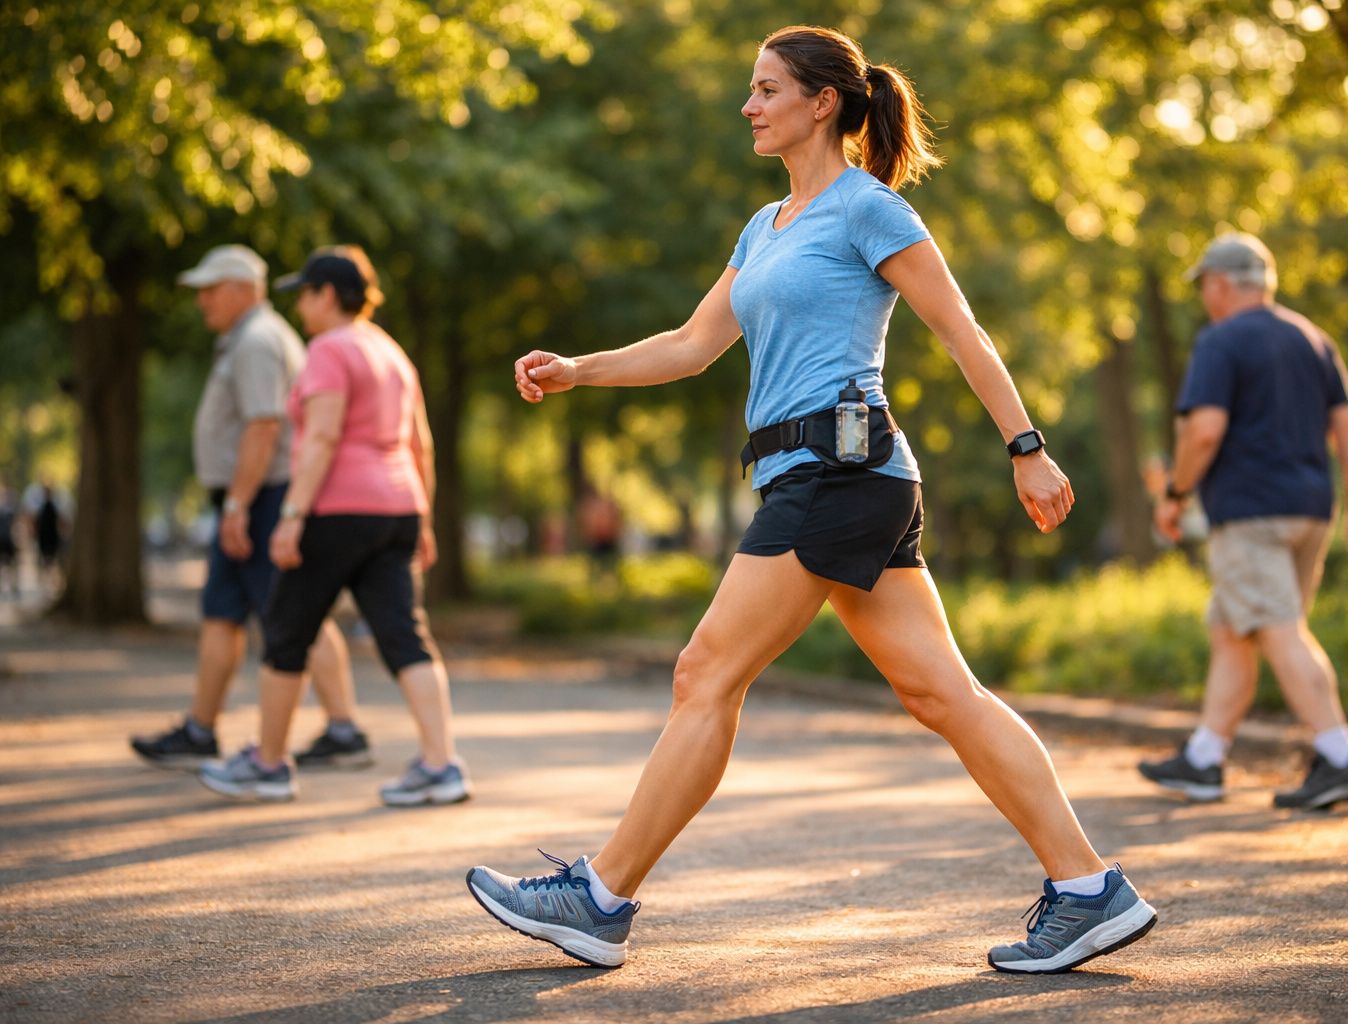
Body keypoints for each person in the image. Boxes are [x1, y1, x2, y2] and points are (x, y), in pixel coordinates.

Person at [464, 26, 1157, 973]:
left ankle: (600, 896)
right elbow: (692, 344)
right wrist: (578, 369)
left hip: (843, 470)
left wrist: (1025, 447)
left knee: (704, 672)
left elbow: (960, 329)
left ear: (821, 101)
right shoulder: (766, 225)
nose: (748, 105)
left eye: (765, 88)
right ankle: (1089, 889)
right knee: (942, 692)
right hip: (827, 479)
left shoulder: (867, 209)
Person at [199, 245, 469, 806]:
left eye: (305, 294)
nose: (300, 307)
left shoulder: (328, 350)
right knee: (404, 635)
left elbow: (321, 438)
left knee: (287, 629)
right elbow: (421, 443)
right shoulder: (393, 352)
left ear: (327, 294)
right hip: (398, 509)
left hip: (339, 509)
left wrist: (291, 515)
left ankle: (269, 764)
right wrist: (424, 519)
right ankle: (441, 765)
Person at [1139, 233, 1348, 811]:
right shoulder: (1313, 338)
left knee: (1277, 629)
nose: (1206, 298)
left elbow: (1203, 431)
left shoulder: (1221, 341)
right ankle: (1204, 758)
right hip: (1310, 510)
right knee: (1234, 630)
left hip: (1249, 515)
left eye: (1205, 287)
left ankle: (1340, 755)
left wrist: (1175, 493)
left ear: (1222, 285)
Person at [132, 245, 371, 771]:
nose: (202, 301)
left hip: (262, 498)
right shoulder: (246, 340)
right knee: (222, 614)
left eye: (211, 290)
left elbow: (264, 425)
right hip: (248, 499)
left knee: (298, 613)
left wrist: (239, 505)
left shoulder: (258, 341)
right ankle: (200, 727)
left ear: (243, 289)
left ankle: (343, 727)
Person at [0, 486, 19, 599]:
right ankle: (12, 586)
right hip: (6, 540)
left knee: (9, 564)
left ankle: (12, 586)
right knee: (10, 564)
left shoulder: (8, 511)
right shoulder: (10, 511)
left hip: (5, 540)